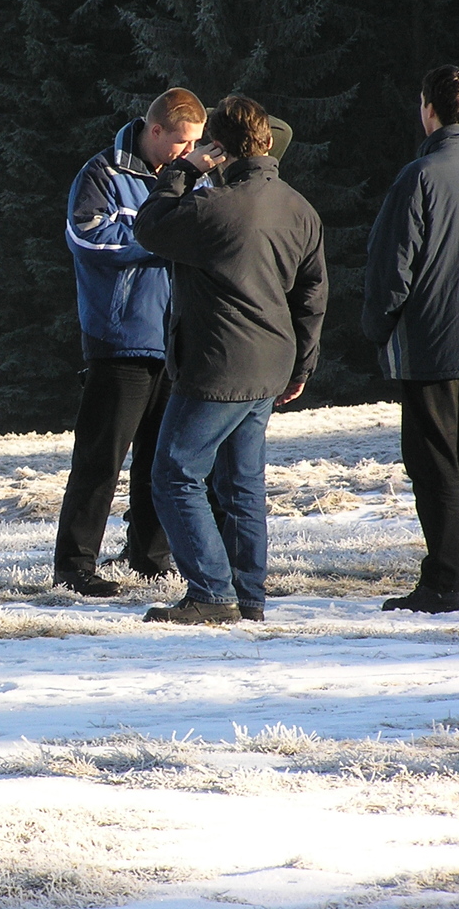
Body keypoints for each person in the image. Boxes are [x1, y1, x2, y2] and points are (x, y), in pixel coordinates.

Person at [134, 95, 326, 625]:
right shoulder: (299, 208)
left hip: (217, 363)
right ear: (266, 140)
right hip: (272, 361)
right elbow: (312, 295)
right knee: (242, 483)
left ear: (218, 146)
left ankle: (212, 593)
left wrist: (182, 171)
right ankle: (248, 595)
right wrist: (302, 365)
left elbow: (148, 227)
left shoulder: (211, 206)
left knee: (174, 474)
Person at [363, 66, 459, 613]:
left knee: (435, 465)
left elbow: (393, 266)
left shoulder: (420, 176)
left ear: (429, 109)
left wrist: (378, 326)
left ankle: (442, 581)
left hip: (431, 342)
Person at [53, 88, 207, 597]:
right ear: (154, 130)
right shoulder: (101, 173)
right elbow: (87, 238)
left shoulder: (192, 176)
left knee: (158, 462)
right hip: (120, 338)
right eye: (182, 141)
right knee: (100, 460)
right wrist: (160, 239)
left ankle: (149, 557)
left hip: (176, 339)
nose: (189, 151)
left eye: (196, 142)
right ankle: (74, 566)